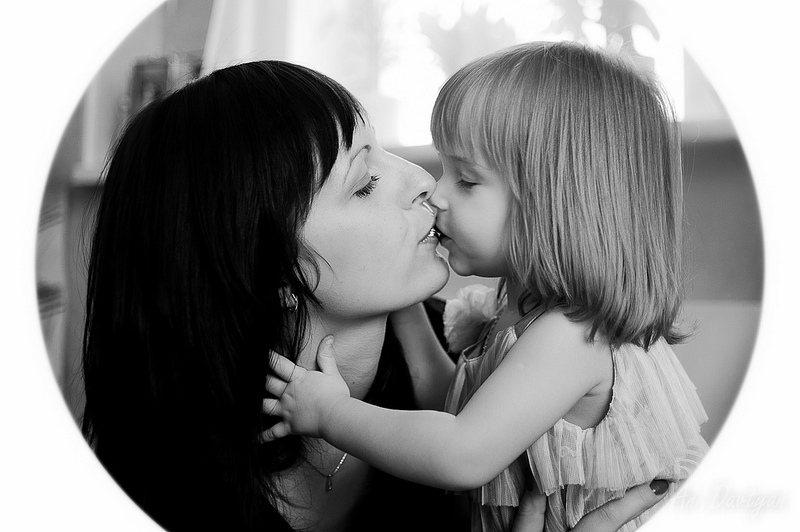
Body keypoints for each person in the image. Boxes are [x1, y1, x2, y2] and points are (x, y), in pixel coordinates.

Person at [81, 58, 666, 532]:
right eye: (364, 183)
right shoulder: (145, 493)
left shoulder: (488, 334)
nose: (423, 183)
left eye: (466, 178)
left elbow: (456, 432)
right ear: (272, 273)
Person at [263, 41, 709, 532]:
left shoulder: (572, 334)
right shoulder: (519, 306)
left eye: (467, 180)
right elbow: (455, 405)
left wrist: (331, 413)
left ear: (554, 204)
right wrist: (408, 310)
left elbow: (459, 452)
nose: (435, 191)